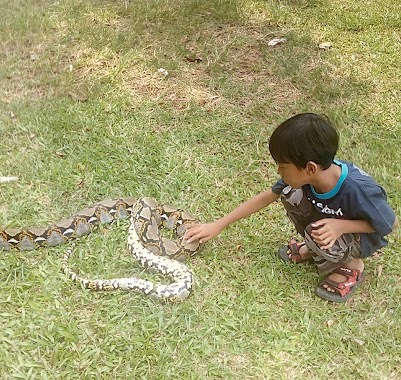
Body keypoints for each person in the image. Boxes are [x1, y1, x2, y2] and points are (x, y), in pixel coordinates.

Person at [184, 113, 398, 302]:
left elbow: (390, 223)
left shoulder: (357, 190)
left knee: (320, 232)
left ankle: (352, 266)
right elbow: (265, 198)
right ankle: (316, 249)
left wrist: (341, 227)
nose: (279, 171)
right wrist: (218, 225)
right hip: (330, 227)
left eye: (283, 166)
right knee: (290, 193)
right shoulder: (310, 176)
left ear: (310, 167)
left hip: (361, 238)